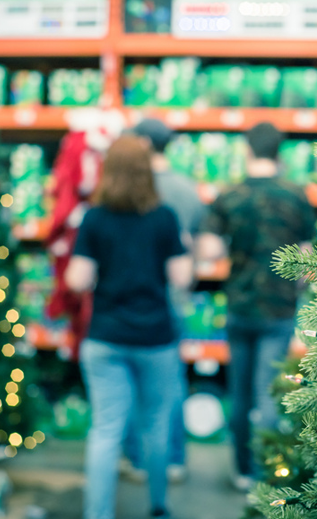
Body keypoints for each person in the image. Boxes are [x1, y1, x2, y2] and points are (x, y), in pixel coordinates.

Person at [65, 136, 192, 519]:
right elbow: (181, 277)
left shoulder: (94, 218)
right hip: (155, 338)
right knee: (155, 428)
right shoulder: (164, 218)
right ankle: (158, 505)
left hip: (105, 337)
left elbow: (77, 279)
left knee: (105, 431)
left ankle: (97, 513)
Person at [195, 122, 317, 491]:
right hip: (278, 310)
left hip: (239, 306)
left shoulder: (229, 195)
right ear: (279, 152)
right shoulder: (297, 196)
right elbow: (308, 261)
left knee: (240, 392)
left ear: (247, 150)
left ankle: (242, 470)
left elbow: (208, 251)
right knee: (267, 395)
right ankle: (264, 478)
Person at [119, 118, 206, 484]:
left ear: (141, 143)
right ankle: (173, 459)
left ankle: (137, 459)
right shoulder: (188, 191)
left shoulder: (128, 190)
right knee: (170, 381)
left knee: (129, 381)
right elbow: (199, 251)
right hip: (174, 298)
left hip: (131, 299)